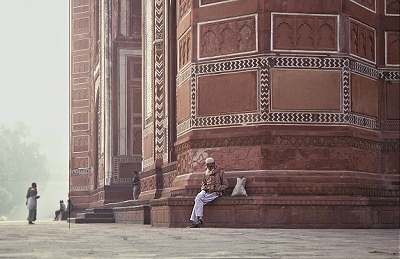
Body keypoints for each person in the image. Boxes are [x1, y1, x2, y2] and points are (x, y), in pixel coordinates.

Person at [189, 157, 229, 228]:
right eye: (207, 166)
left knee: (198, 201)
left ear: (214, 164)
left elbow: (226, 185)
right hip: (206, 191)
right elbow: (203, 183)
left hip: (215, 192)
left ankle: (196, 221)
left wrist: (215, 189)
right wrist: (205, 188)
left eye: (210, 166)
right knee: (198, 198)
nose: (209, 167)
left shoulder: (220, 172)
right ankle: (200, 218)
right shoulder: (206, 172)